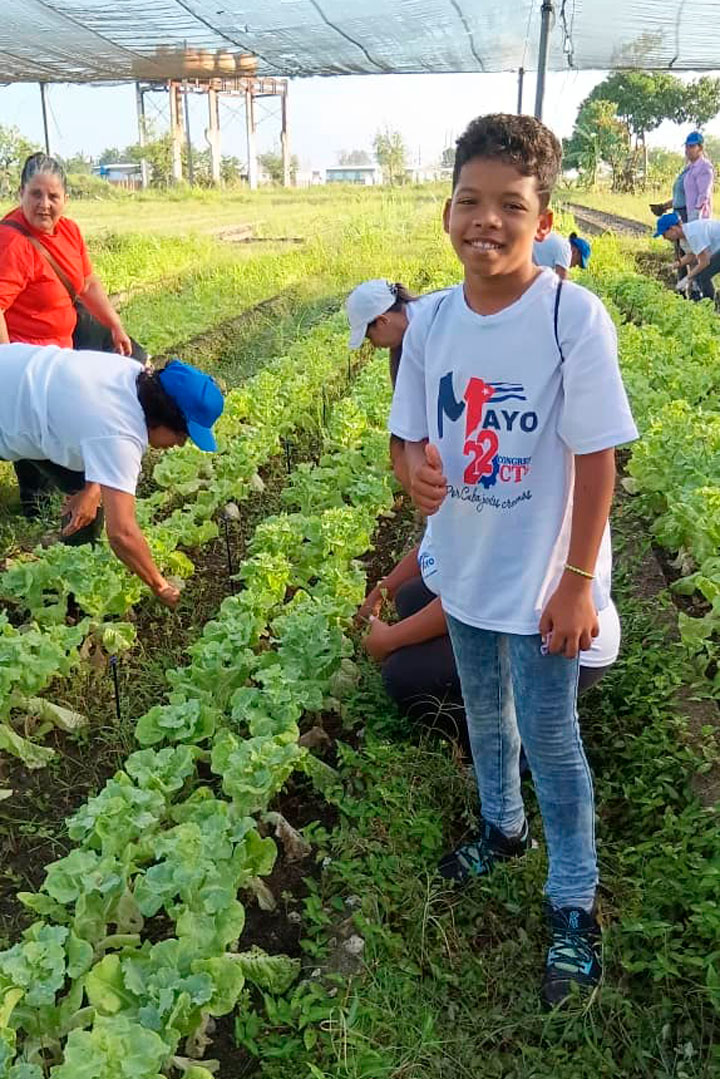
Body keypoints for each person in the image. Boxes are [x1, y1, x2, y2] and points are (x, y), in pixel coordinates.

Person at [389, 113, 638, 1007]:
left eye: (510, 205)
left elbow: (598, 458)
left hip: (542, 584)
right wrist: (412, 472)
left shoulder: (570, 315)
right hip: (464, 566)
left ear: (543, 218)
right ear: (447, 210)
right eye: (469, 200)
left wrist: (577, 583)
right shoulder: (430, 320)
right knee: (485, 713)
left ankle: (573, 898)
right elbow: (407, 436)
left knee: (551, 735)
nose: (485, 220)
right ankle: (501, 827)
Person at [349, 279, 619, 748]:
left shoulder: (491, 488)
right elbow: (432, 553)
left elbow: (468, 595)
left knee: (404, 676)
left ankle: (512, 737)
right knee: (412, 597)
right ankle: (502, 726)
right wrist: (381, 592)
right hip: (513, 610)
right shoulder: (454, 475)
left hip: (559, 634)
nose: (408, 473)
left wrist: (388, 639)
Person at [0, 344, 224, 607]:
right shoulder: (121, 436)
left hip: (14, 368)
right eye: (183, 435)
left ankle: (76, 574)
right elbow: (122, 534)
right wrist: (160, 586)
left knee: (85, 491)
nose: (180, 444)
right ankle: (74, 584)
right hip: (9, 408)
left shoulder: (133, 374)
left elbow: (99, 430)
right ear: (165, 416)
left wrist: (91, 489)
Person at [0, 153, 143, 516]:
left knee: (133, 358)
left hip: (63, 345)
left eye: (53, 196)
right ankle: (38, 504)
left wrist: (114, 324)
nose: (44, 205)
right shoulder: (12, 243)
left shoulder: (69, 231)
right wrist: (9, 368)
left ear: (65, 198)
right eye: (35, 194)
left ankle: (73, 485)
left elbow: (87, 282)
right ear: (20, 193)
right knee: (38, 443)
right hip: (30, 359)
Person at [655, 210, 720, 302]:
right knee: (700, 275)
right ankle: (709, 302)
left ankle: (709, 304)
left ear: (673, 228)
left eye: (664, 234)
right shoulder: (683, 239)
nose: (664, 238)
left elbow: (705, 262)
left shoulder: (693, 234)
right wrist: (673, 266)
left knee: (702, 275)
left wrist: (687, 279)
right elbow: (692, 256)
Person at [682, 132, 713, 222]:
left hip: (700, 216)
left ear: (700, 148)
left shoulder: (704, 167)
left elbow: (704, 194)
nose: (688, 150)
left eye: (692, 147)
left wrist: (696, 212)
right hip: (689, 213)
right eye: (687, 147)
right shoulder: (690, 168)